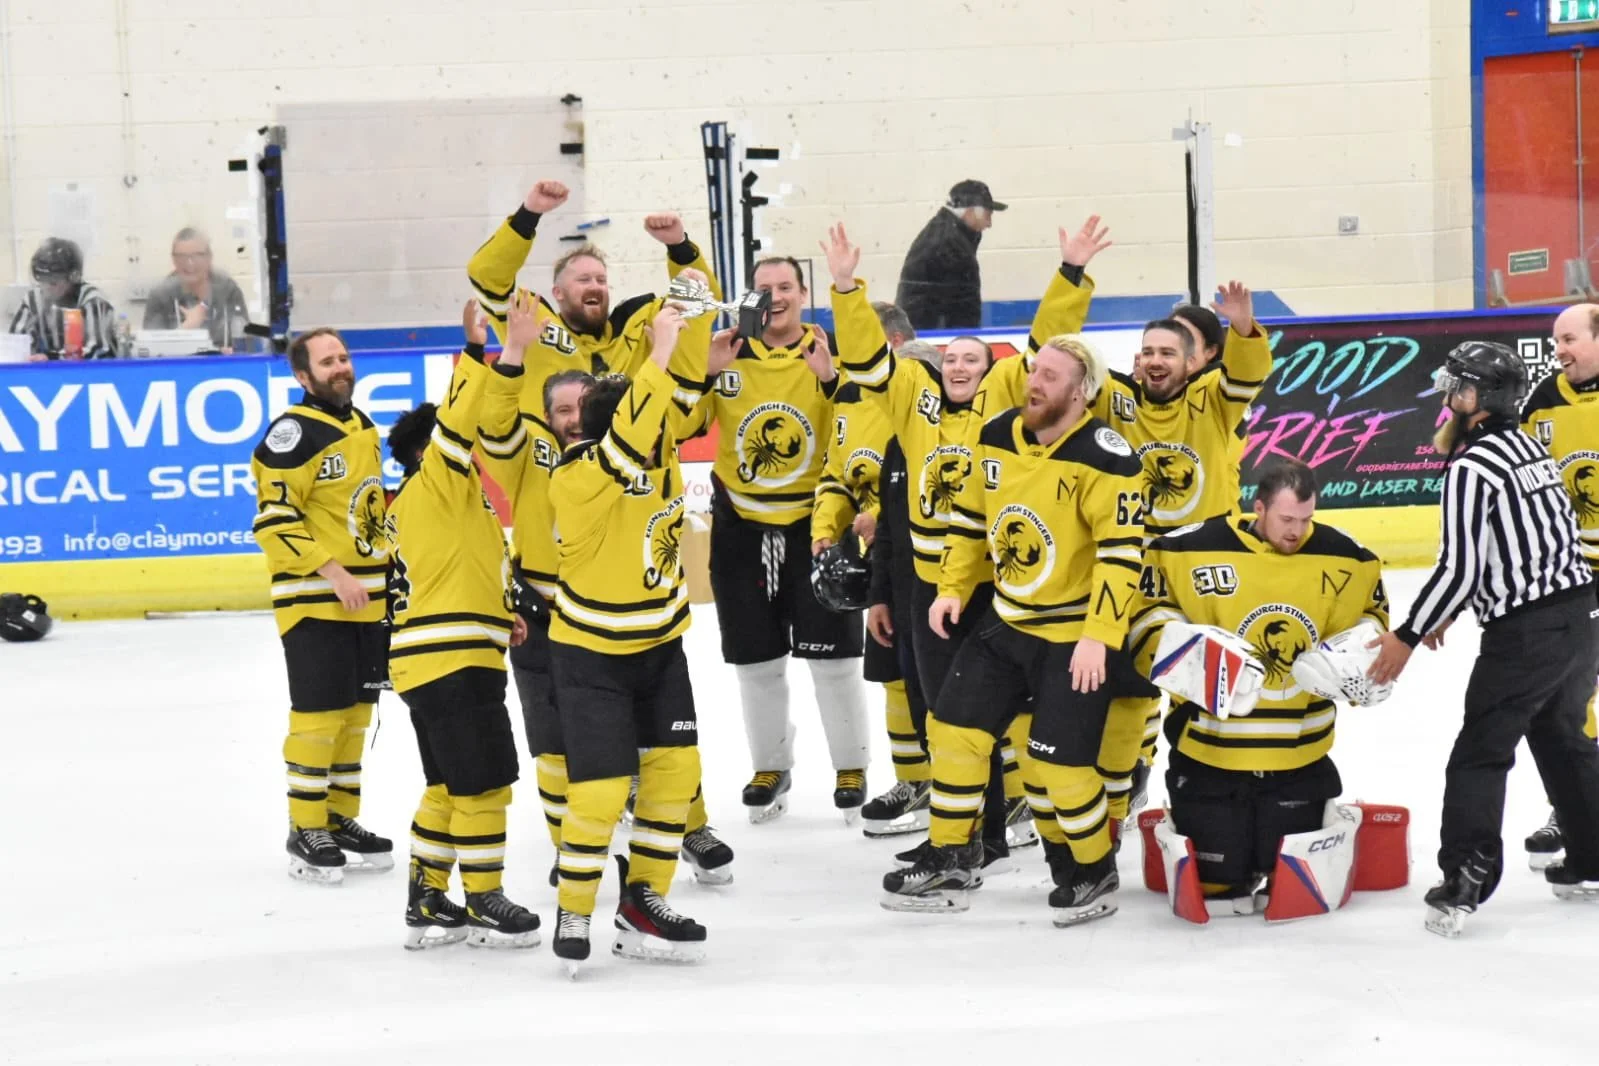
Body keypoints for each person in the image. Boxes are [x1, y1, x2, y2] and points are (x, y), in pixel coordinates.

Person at [828, 217, 1112, 862]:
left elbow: (1046, 343)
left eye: (971, 359)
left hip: (996, 581)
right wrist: (845, 288)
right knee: (944, 712)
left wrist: (1070, 273)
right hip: (932, 584)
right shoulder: (910, 399)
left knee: (998, 712)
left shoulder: (1006, 399)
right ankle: (972, 836)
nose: (958, 366)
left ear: (994, 372)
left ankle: (1008, 819)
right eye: (949, 358)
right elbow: (867, 359)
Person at [972, 278, 1270, 827]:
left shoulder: (1212, 400)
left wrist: (1245, 327)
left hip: (1201, 567)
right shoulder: (1116, 397)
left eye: (1169, 354)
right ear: (1137, 360)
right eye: (1149, 352)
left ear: (1192, 364)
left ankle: (1205, 785)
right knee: (1132, 682)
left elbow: (1248, 372)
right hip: (1131, 563)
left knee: (1200, 683)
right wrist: (1072, 273)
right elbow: (1061, 361)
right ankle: (1128, 774)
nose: (1157, 362)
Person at [883, 336, 1145, 927]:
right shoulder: (996, 435)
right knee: (951, 730)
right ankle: (952, 852)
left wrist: (1099, 636)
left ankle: (1092, 867)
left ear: (1081, 394)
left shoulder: (1109, 457)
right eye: (1034, 371)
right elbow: (972, 520)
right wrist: (951, 587)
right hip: (1007, 621)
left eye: (1051, 377)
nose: (1035, 383)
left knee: (1056, 767)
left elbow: (1121, 557)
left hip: (1073, 635)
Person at [475, 331, 734, 889]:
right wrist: (510, 355)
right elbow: (494, 422)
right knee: (553, 745)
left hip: (630, 614)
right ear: (544, 418)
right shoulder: (528, 456)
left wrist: (703, 369)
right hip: (547, 617)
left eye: (579, 405)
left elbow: (673, 409)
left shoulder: (632, 446)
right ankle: (568, 847)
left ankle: (691, 826)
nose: (571, 417)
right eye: (560, 410)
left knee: (665, 740)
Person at [1368, 341, 1599, 935]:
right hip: (1580, 617)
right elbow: (1522, 545)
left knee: (1481, 753)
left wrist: (1408, 634)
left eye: (1457, 386)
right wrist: (1459, 603)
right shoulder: (1527, 446)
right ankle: (1595, 856)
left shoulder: (1473, 466)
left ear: (1478, 399)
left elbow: (1459, 569)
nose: (1448, 395)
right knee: (1561, 737)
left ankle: (1465, 876)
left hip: (1527, 635)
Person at [1127, 459, 1389, 909]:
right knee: (1217, 885)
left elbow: (1374, 626)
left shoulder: (1351, 560)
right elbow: (1142, 622)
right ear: (1259, 506)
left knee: (1288, 883)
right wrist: (1187, 653)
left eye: (1306, 519)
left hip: (1299, 758)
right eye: (1287, 519)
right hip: (1209, 757)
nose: (1297, 531)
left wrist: (1355, 660)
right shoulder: (1183, 550)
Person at [546, 293, 712, 971]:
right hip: (591, 657)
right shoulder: (577, 476)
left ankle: (643, 900)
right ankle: (576, 907)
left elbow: (682, 390)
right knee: (601, 792)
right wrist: (660, 356)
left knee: (675, 780)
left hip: (659, 648)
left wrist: (686, 307)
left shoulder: (657, 452)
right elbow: (634, 422)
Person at [682, 255, 871, 823]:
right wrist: (706, 375)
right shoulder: (729, 349)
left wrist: (832, 381)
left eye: (785, 287)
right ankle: (771, 764)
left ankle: (851, 765)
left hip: (816, 526)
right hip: (741, 527)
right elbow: (684, 425)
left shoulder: (830, 349)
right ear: (751, 297)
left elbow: (866, 423)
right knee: (755, 658)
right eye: (764, 289)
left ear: (803, 291)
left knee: (834, 657)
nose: (776, 298)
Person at [384, 292, 540, 951]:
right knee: (484, 781)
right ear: (429, 452)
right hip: (449, 661)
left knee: (448, 782)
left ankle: (426, 899)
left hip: (443, 654)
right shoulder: (438, 480)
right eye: (458, 445)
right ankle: (482, 898)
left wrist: (499, 613)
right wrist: (501, 354)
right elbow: (459, 418)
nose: (473, 450)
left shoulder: (444, 500)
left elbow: (460, 565)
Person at [250, 327, 392, 885]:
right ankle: (304, 825)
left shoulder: (361, 425)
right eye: (327, 361)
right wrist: (332, 573)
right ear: (303, 376)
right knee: (318, 715)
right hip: (315, 599)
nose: (340, 367)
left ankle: (338, 818)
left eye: (344, 357)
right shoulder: (291, 433)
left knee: (356, 716)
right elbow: (274, 520)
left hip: (367, 598)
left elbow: (369, 511)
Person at [466, 179, 718, 403]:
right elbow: (486, 275)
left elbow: (705, 305)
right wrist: (528, 214)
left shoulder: (640, 326)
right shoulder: (532, 322)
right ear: (558, 292)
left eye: (601, 279)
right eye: (584, 279)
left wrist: (679, 246)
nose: (595, 286)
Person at [812, 309, 918, 835]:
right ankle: (916, 782)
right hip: (883, 560)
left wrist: (890, 513)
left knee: (943, 683)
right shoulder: (850, 399)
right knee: (894, 676)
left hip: (933, 559)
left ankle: (990, 791)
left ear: (891, 343)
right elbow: (836, 473)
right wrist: (825, 529)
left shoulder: (920, 390)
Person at [1518, 303, 1599, 867]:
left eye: (1568, 338)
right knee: (1572, 703)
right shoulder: (1542, 399)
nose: (1559, 349)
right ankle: (1575, 810)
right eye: (1555, 339)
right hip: (1573, 579)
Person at [896, 180, 1006, 331]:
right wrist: (965, 339)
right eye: (987, 215)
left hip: (925, 332)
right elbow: (961, 306)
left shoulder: (944, 233)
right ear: (971, 211)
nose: (989, 223)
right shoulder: (950, 244)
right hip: (937, 337)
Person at [141, 227, 251, 351]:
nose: (189, 263)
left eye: (197, 256)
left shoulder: (228, 290)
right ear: (173, 260)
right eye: (182, 257)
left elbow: (247, 338)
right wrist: (186, 329)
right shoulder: (161, 294)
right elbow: (151, 349)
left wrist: (234, 351)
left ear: (209, 257)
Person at [9, 238, 118, 359]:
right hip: (48, 375)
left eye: (53, 282)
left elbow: (99, 352)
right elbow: (14, 347)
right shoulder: (32, 300)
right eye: (42, 280)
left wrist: (51, 359)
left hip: (90, 376)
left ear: (73, 278)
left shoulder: (92, 301)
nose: (45, 288)